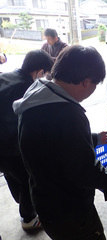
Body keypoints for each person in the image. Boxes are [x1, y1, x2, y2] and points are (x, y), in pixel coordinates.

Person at [13, 45, 107, 240]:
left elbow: (55, 141)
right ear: (85, 82)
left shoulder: (38, 93)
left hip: (44, 199)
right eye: (94, 85)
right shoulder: (69, 114)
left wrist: (96, 138)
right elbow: (86, 172)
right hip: (69, 210)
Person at [0, 50, 53, 231]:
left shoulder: (6, 75)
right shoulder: (27, 88)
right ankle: (29, 219)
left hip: (3, 148)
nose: (45, 78)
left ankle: (22, 204)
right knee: (28, 178)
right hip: (8, 145)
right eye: (46, 74)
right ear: (39, 72)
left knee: (12, 174)